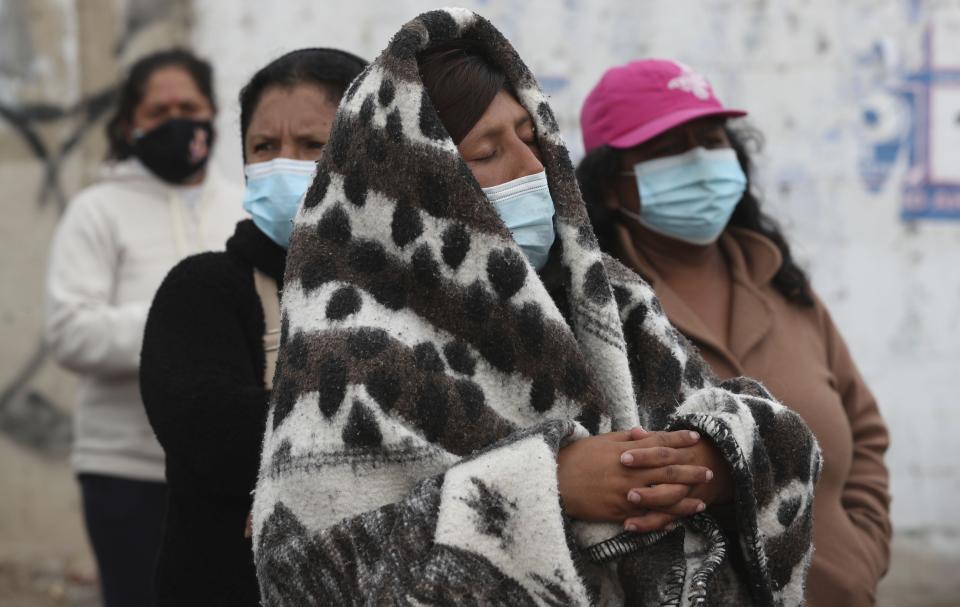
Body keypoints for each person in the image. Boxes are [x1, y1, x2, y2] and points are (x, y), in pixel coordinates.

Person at [251, 9, 822, 606]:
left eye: (529, 137)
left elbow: (761, 429)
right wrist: (546, 485)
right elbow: (309, 576)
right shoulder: (347, 352)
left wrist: (713, 460)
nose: (533, 167)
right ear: (419, 183)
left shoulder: (610, 301)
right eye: (487, 152)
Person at [576, 59, 891, 606]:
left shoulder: (782, 284)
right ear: (608, 186)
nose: (699, 161)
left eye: (712, 140)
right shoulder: (593, 312)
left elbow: (865, 435)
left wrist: (863, 551)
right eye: (668, 148)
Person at [139, 48, 367, 606]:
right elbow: (217, 434)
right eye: (265, 147)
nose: (283, 164)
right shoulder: (205, 290)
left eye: (312, 145)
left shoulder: (426, 292)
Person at [44, 49, 243, 607]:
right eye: (159, 111)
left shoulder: (247, 209)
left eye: (190, 106)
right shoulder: (96, 211)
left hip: (229, 474)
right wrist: (182, 326)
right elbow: (69, 331)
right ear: (131, 124)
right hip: (125, 473)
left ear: (212, 113)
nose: (178, 120)